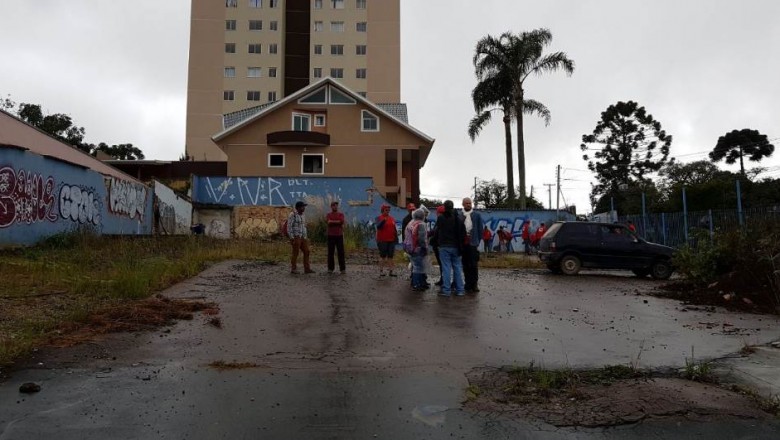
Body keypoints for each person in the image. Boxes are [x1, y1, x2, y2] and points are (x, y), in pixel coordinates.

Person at [433, 200, 465, 296]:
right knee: (457, 268)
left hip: (444, 246)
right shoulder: (458, 219)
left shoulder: (441, 218)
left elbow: (437, 231)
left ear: (445, 207)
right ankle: (460, 290)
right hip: (456, 246)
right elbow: (463, 233)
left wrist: (436, 242)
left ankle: (446, 290)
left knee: (446, 268)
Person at [460, 197, 484, 293]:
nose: (468, 205)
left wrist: (477, 241)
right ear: (463, 204)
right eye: (466, 203)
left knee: (473, 265)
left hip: (473, 243)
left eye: (469, 203)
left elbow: (480, 229)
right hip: (463, 244)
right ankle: (467, 284)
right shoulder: (460, 215)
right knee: (465, 264)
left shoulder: (476, 215)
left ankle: (474, 284)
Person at [404, 208, 429, 291]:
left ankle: (418, 283)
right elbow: (422, 238)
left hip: (409, 248)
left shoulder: (411, 223)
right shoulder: (421, 224)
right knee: (419, 267)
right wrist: (425, 248)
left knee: (415, 266)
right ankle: (417, 284)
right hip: (418, 248)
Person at [287, 201, 314, 274]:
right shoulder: (293, 215)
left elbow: (303, 226)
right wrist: (292, 237)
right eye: (302, 207)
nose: (304, 208)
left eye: (304, 207)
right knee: (295, 252)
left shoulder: (303, 215)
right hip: (296, 236)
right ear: (298, 208)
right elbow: (289, 227)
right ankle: (293, 269)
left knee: (307, 251)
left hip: (303, 237)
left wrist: (305, 236)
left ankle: (307, 269)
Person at [375, 204, 398, 277]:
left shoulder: (392, 218)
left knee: (390, 256)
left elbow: (394, 229)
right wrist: (383, 220)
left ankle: (391, 271)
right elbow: (378, 226)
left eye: (388, 210)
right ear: (382, 210)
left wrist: (396, 238)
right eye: (386, 210)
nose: (387, 211)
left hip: (391, 240)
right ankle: (381, 271)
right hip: (382, 240)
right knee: (383, 256)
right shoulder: (378, 218)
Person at [326, 201, 346, 274]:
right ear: (331, 207)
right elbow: (328, 222)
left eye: (336, 206)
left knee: (341, 252)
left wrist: (333, 221)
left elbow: (342, 221)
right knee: (330, 252)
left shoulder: (341, 214)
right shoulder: (328, 214)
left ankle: (342, 269)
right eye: (334, 206)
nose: (335, 207)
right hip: (330, 235)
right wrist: (337, 222)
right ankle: (330, 268)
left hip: (339, 235)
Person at [430, 205, 445, 286]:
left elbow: (435, 232)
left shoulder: (440, 220)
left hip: (439, 245)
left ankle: (443, 280)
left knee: (442, 264)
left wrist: (430, 239)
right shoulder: (447, 220)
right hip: (441, 245)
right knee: (443, 264)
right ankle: (443, 279)